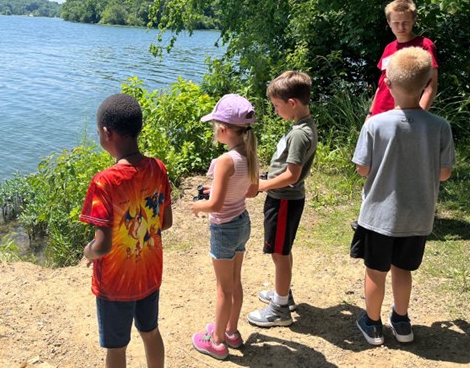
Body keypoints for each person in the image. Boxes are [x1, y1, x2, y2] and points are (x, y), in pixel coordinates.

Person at [351, 47, 455, 346]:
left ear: (388, 84)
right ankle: (401, 321)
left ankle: (372, 324)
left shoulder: (375, 124)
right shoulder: (440, 126)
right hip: (418, 215)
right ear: (425, 86)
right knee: (403, 269)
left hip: (378, 216)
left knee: (375, 271)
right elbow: (444, 173)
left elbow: (362, 169)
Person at [80, 93, 173, 368]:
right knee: (150, 331)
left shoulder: (104, 182)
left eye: (98, 131)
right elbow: (165, 222)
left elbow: (103, 245)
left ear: (107, 133)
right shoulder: (158, 168)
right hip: (149, 275)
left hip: (115, 285)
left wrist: (88, 253)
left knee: (117, 348)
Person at [190, 94, 260, 360]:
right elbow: (251, 191)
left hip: (224, 229)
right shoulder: (248, 153)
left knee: (223, 289)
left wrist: (199, 206)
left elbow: (216, 205)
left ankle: (216, 341)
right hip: (242, 223)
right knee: (235, 282)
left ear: (222, 129)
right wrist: (219, 189)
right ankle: (231, 330)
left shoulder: (224, 161)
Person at [247, 71, 318, 328]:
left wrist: (262, 185)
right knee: (282, 251)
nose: (276, 111)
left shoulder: (300, 133)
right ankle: (283, 293)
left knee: (279, 253)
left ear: (292, 103)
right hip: (284, 199)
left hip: (284, 200)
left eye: (277, 106)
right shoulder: (301, 126)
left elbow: (292, 174)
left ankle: (279, 309)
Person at [367, 0, 438, 119]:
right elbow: (381, 84)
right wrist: (370, 114)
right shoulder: (388, 48)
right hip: (379, 115)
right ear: (389, 23)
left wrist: (418, 116)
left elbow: (431, 86)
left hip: (406, 116)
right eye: (396, 23)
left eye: (405, 22)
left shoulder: (425, 45)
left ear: (414, 20)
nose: (401, 27)